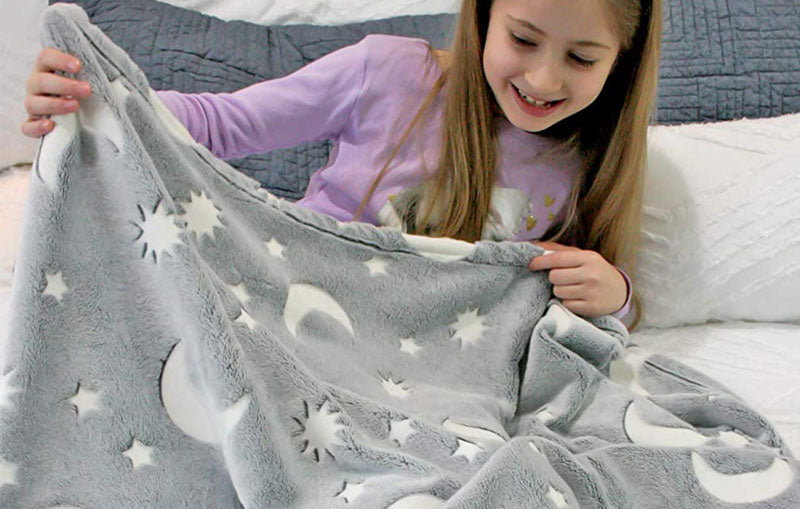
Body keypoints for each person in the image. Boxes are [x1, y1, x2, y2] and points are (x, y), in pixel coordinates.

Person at [22, 0, 661, 329]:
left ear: (621, 63)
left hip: (420, 360)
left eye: (582, 59)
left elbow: (610, 302)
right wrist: (97, 100)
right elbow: (222, 124)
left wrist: (616, 293)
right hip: (290, 294)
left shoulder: (588, 160)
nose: (543, 78)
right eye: (522, 39)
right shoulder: (389, 72)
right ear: (484, 17)